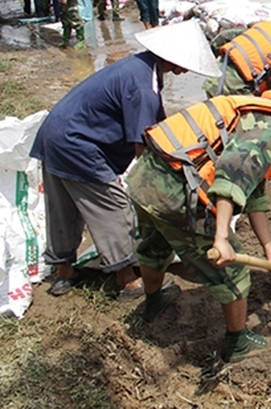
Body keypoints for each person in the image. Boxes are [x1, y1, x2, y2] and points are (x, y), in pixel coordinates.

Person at [126, 91, 271, 361]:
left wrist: (270, 249)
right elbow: (231, 178)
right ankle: (238, 343)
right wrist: (221, 238)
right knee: (236, 273)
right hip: (174, 191)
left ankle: (154, 300)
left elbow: (254, 194)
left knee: (155, 245)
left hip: (146, 176)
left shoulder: (268, 114)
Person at [29, 21, 220, 300]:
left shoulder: (140, 66)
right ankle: (126, 280)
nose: (188, 68)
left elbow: (158, 127)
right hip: (78, 144)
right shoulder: (142, 85)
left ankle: (64, 273)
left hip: (54, 134)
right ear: (173, 57)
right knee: (115, 207)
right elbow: (144, 144)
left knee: (64, 207)